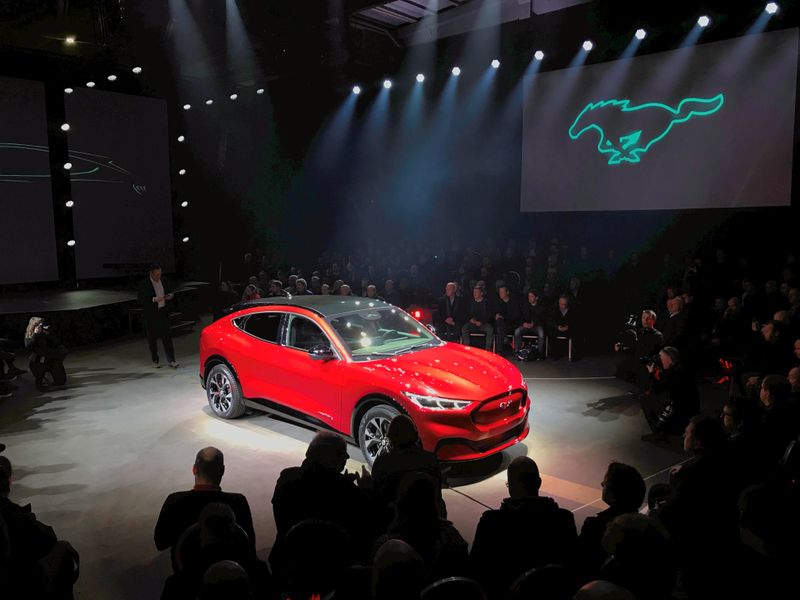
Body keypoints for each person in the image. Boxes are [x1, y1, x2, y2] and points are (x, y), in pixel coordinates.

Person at [269, 432, 374, 584]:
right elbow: (366, 519)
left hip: (287, 559)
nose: (346, 458)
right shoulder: (347, 492)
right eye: (342, 454)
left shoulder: (286, 477)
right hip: (332, 567)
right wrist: (366, 490)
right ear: (330, 457)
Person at [470, 456, 576, 600]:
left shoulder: (491, 522)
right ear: (539, 483)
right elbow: (574, 567)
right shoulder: (564, 518)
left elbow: (476, 571)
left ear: (510, 486)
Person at [154, 447, 256, 572]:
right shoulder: (237, 502)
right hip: (230, 582)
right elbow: (249, 546)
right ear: (222, 470)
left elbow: (160, 542)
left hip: (186, 583)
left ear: (194, 469)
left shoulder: (176, 501)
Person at [0, 454, 79, 597]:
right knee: (65, 550)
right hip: (10, 580)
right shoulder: (13, 517)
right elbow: (48, 537)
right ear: (9, 483)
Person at [576, 462, 646, 584]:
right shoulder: (644, 526)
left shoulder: (594, 526)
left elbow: (579, 563)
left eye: (605, 484)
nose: (602, 484)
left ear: (614, 495)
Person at [371, 415, 442, 524]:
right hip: (429, 518)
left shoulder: (383, 462)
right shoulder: (431, 460)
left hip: (394, 520)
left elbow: (377, 498)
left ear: (391, 437)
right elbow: (438, 494)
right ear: (415, 435)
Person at [640, 347, 699, 443]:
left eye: (661, 357)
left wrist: (651, 373)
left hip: (682, 410)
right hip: (688, 407)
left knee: (646, 400)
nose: (659, 360)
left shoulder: (674, 373)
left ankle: (661, 432)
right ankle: (664, 429)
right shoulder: (680, 368)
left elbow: (655, 389)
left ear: (669, 358)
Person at [137, 264, 178, 368]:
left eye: (160, 274)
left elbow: (170, 290)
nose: (158, 277)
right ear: (151, 273)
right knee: (152, 338)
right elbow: (141, 299)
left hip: (163, 312)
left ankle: (171, 360)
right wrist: (154, 299)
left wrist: (170, 295)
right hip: (151, 314)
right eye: (156, 275)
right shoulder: (144, 284)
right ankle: (155, 360)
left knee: (167, 337)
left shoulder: (164, 280)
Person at [614, 310, 663, 389]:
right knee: (621, 368)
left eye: (648, 318)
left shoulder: (658, 335)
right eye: (643, 318)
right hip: (638, 359)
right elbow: (634, 347)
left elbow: (655, 352)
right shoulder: (639, 332)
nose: (645, 320)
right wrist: (621, 348)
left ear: (653, 320)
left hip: (647, 362)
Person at [24, 317, 68, 390]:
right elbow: (28, 346)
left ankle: (50, 374)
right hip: (38, 361)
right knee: (41, 384)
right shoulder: (30, 335)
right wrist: (35, 334)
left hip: (50, 359)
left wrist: (48, 334)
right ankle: (42, 377)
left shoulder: (44, 333)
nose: (41, 326)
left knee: (61, 381)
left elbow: (57, 343)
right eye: (39, 325)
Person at [514, 290, 546, 358]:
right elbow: (520, 317)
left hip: (536, 326)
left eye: (531, 296)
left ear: (536, 298)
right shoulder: (525, 306)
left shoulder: (541, 307)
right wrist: (523, 323)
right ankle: (517, 351)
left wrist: (534, 324)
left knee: (541, 333)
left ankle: (539, 353)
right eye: (529, 296)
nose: (529, 298)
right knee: (517, 331)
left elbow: (543, 319)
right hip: (526, 326)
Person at [461, 285, 494, 351]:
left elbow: (489, 314)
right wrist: (470, 319)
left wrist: (482, 322)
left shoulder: (487, 302)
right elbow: (466, 313)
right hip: (472, 323)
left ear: (481, 293)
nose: (474, 294)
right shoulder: (470, 302)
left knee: (490, 329)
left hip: (483, 323)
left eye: (476, 292)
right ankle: (467, 348)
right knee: (465, 328)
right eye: (474, 292)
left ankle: (488, 348)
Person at [493, 285, 521, 355]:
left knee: (500, 329)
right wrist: (496, 316)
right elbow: (494, 314)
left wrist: (504, 317)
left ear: (507, 292)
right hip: (501, 325)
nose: (500, 294)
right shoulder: (498, 303)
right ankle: (505, 338)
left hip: (511, 324)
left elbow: (516, 316)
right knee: (499, 324)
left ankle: (500, 351)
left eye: (502, 292)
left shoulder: (514, 303)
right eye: (500, 292)